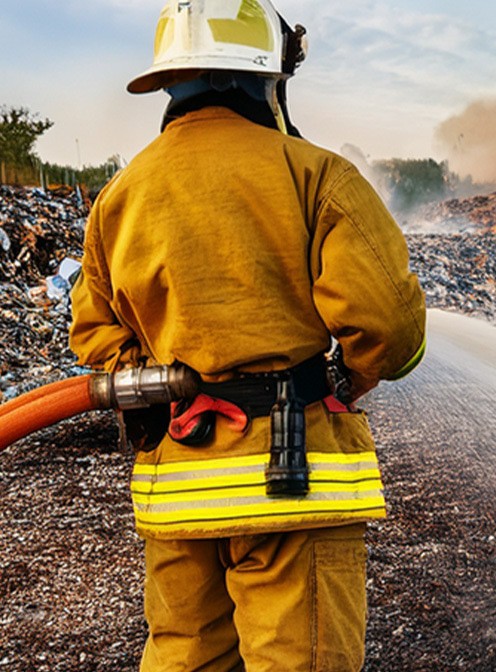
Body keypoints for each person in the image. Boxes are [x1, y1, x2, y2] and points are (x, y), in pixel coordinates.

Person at [68, 0, 426, 669]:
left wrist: (165, 384)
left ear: (170, 83)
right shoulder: (318, 176)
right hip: (289, 483)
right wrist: (354, 377)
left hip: (177, 486)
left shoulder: (118, 197)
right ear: (266, 78)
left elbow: (94, 334)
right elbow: (390, 326)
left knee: (183, 655)